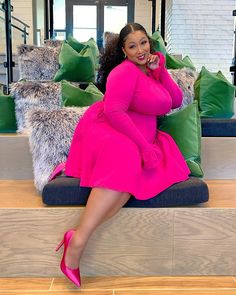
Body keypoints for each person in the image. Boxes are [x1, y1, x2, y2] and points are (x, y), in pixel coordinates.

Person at [55, 23, 190, 288]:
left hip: (139, 134)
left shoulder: (150, 70)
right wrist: (143, 147)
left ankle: (77, 235)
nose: (140, 50)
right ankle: (77, 244)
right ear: (123, 51)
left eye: (143, 43)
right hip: (114, 130)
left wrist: (160, 71)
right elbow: (115, 113)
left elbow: (174, 101)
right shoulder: (123, 73)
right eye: (132, 46)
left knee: (128, 186)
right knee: (127, 163)